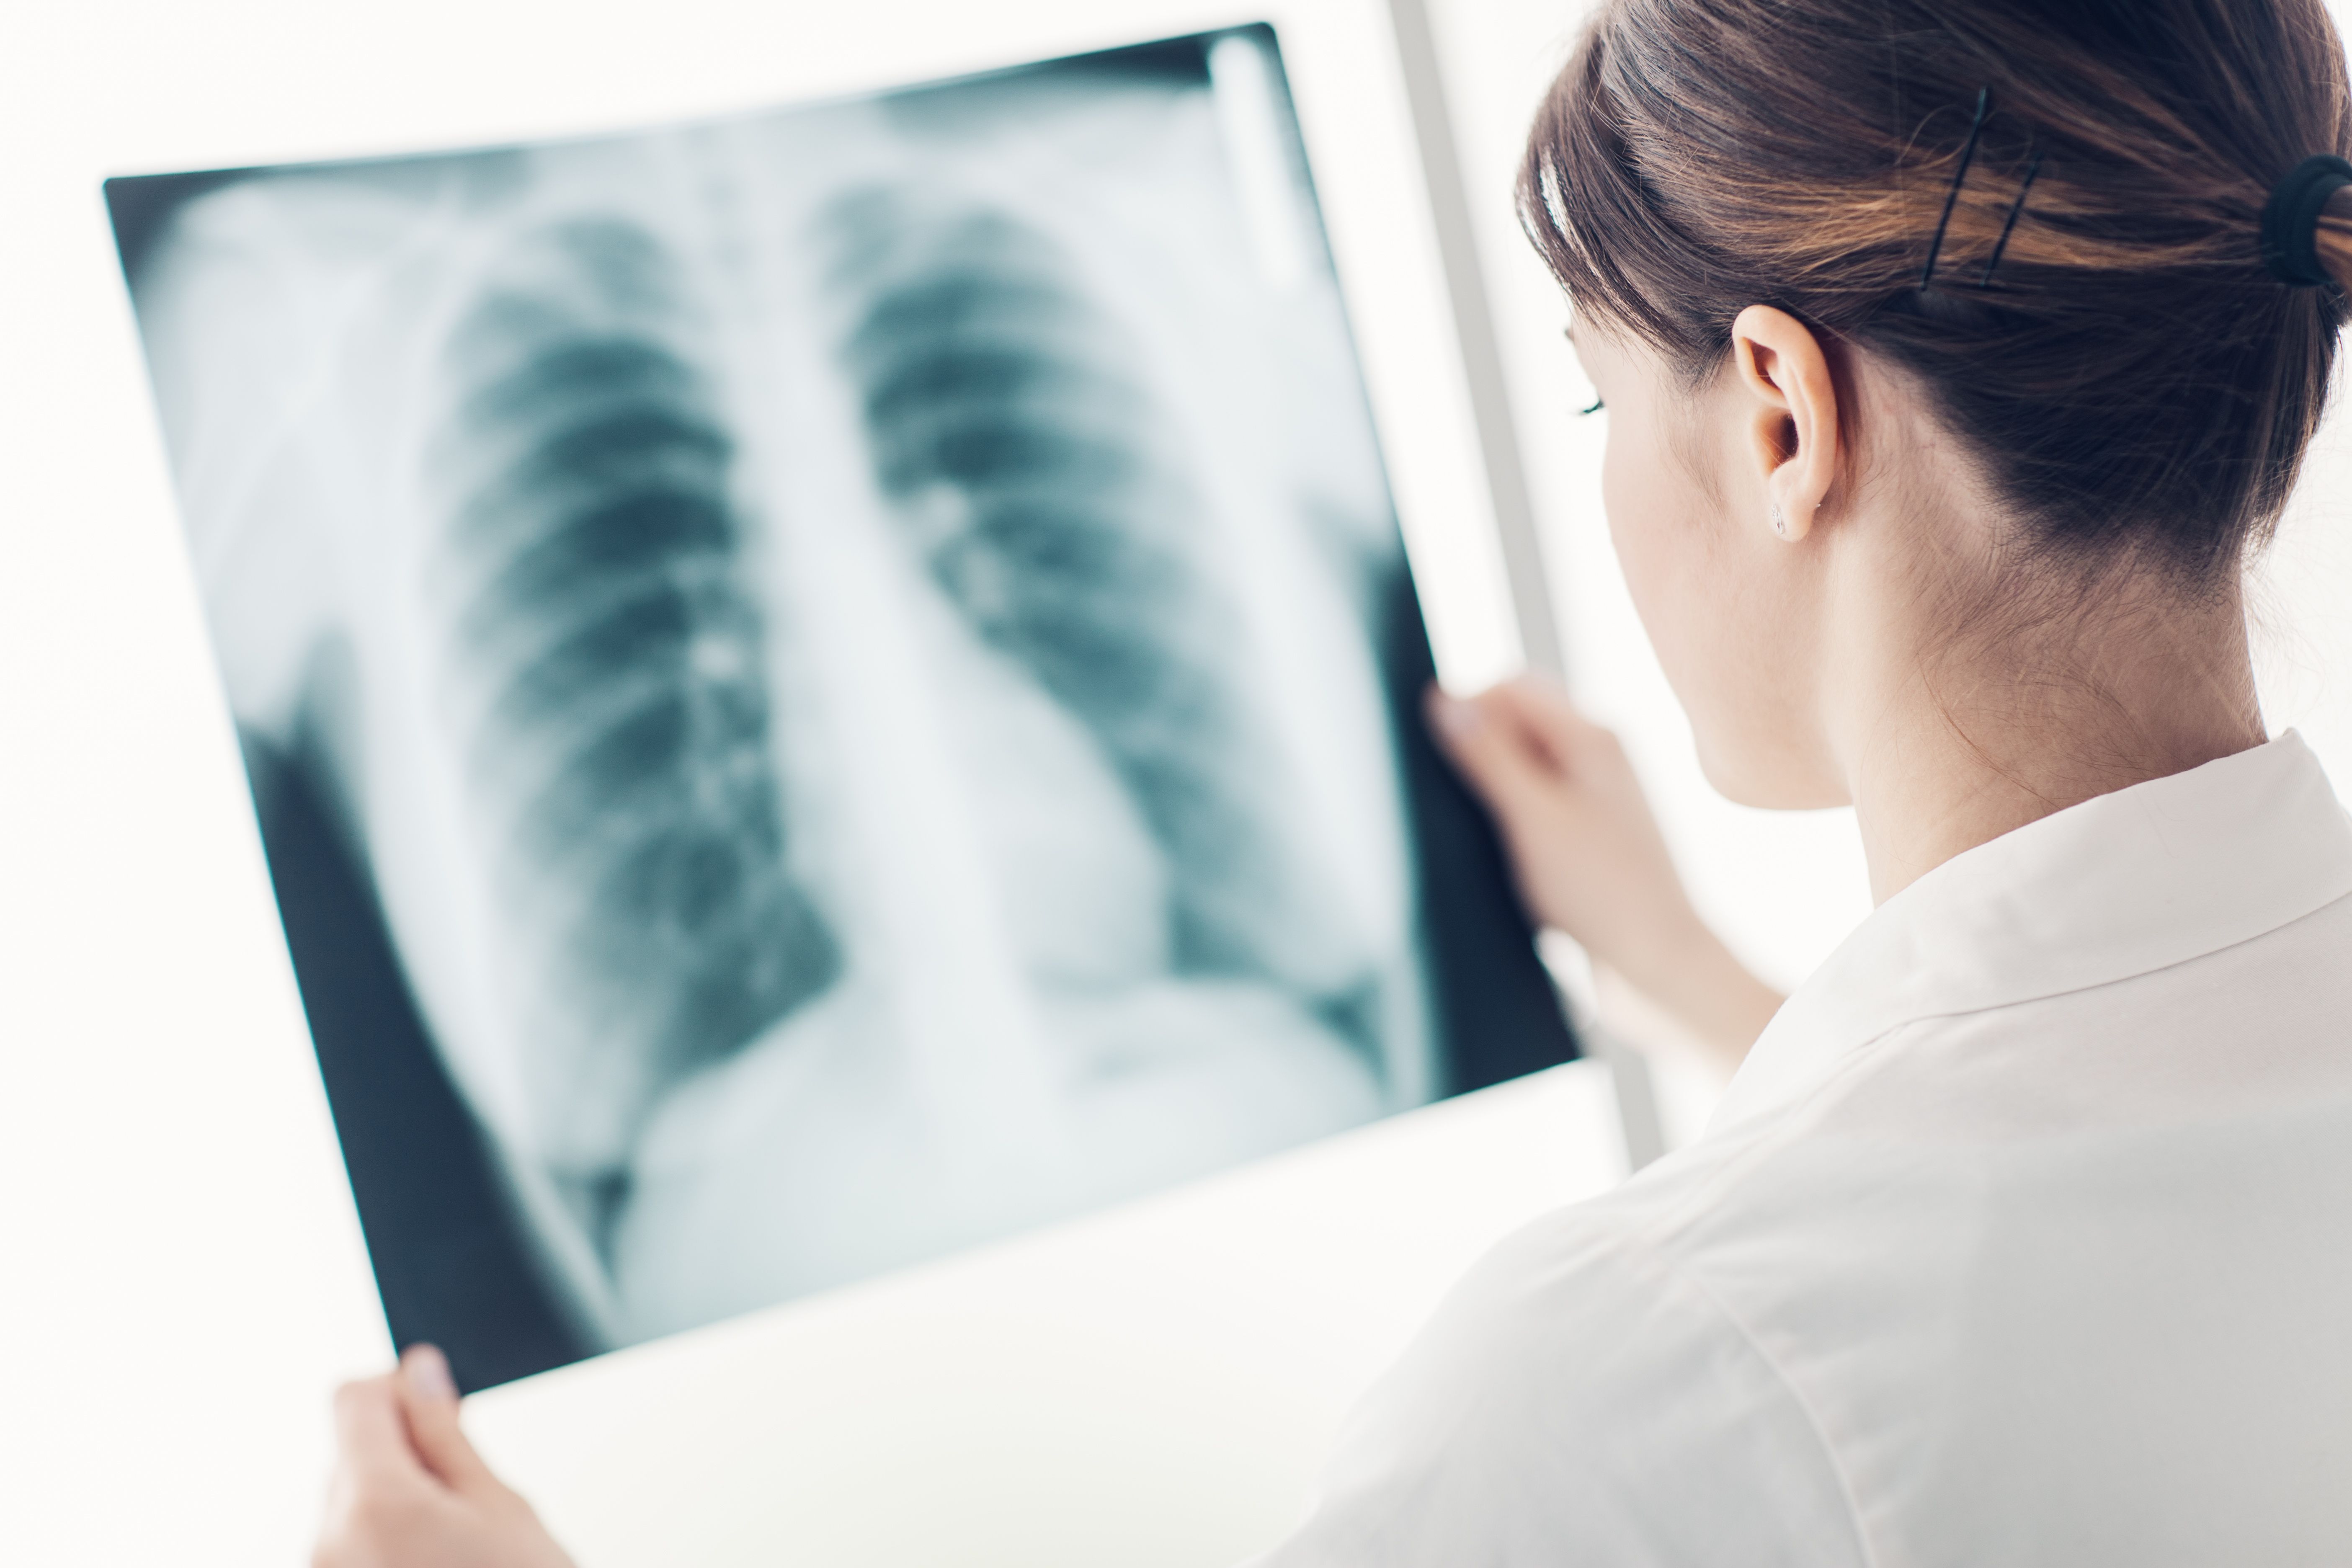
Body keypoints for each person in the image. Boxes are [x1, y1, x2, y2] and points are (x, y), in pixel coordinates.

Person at [312, 0, 2352, 1560]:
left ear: (1777, 415)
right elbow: (2086, 1208)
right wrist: (1697, 980)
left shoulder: (1614, 1389)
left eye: (1590, 387)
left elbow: (1837, 1353)